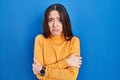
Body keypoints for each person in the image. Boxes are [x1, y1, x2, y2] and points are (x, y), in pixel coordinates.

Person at [32, 3, 82, 80]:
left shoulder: (74, 41)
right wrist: (66, 62)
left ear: (65, 21)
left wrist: (43, 69)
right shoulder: (40, 39)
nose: (55, 25)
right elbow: (39, 75)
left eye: (60, 20)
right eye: (50, 20)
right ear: (46, 23)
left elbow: (72, 76)